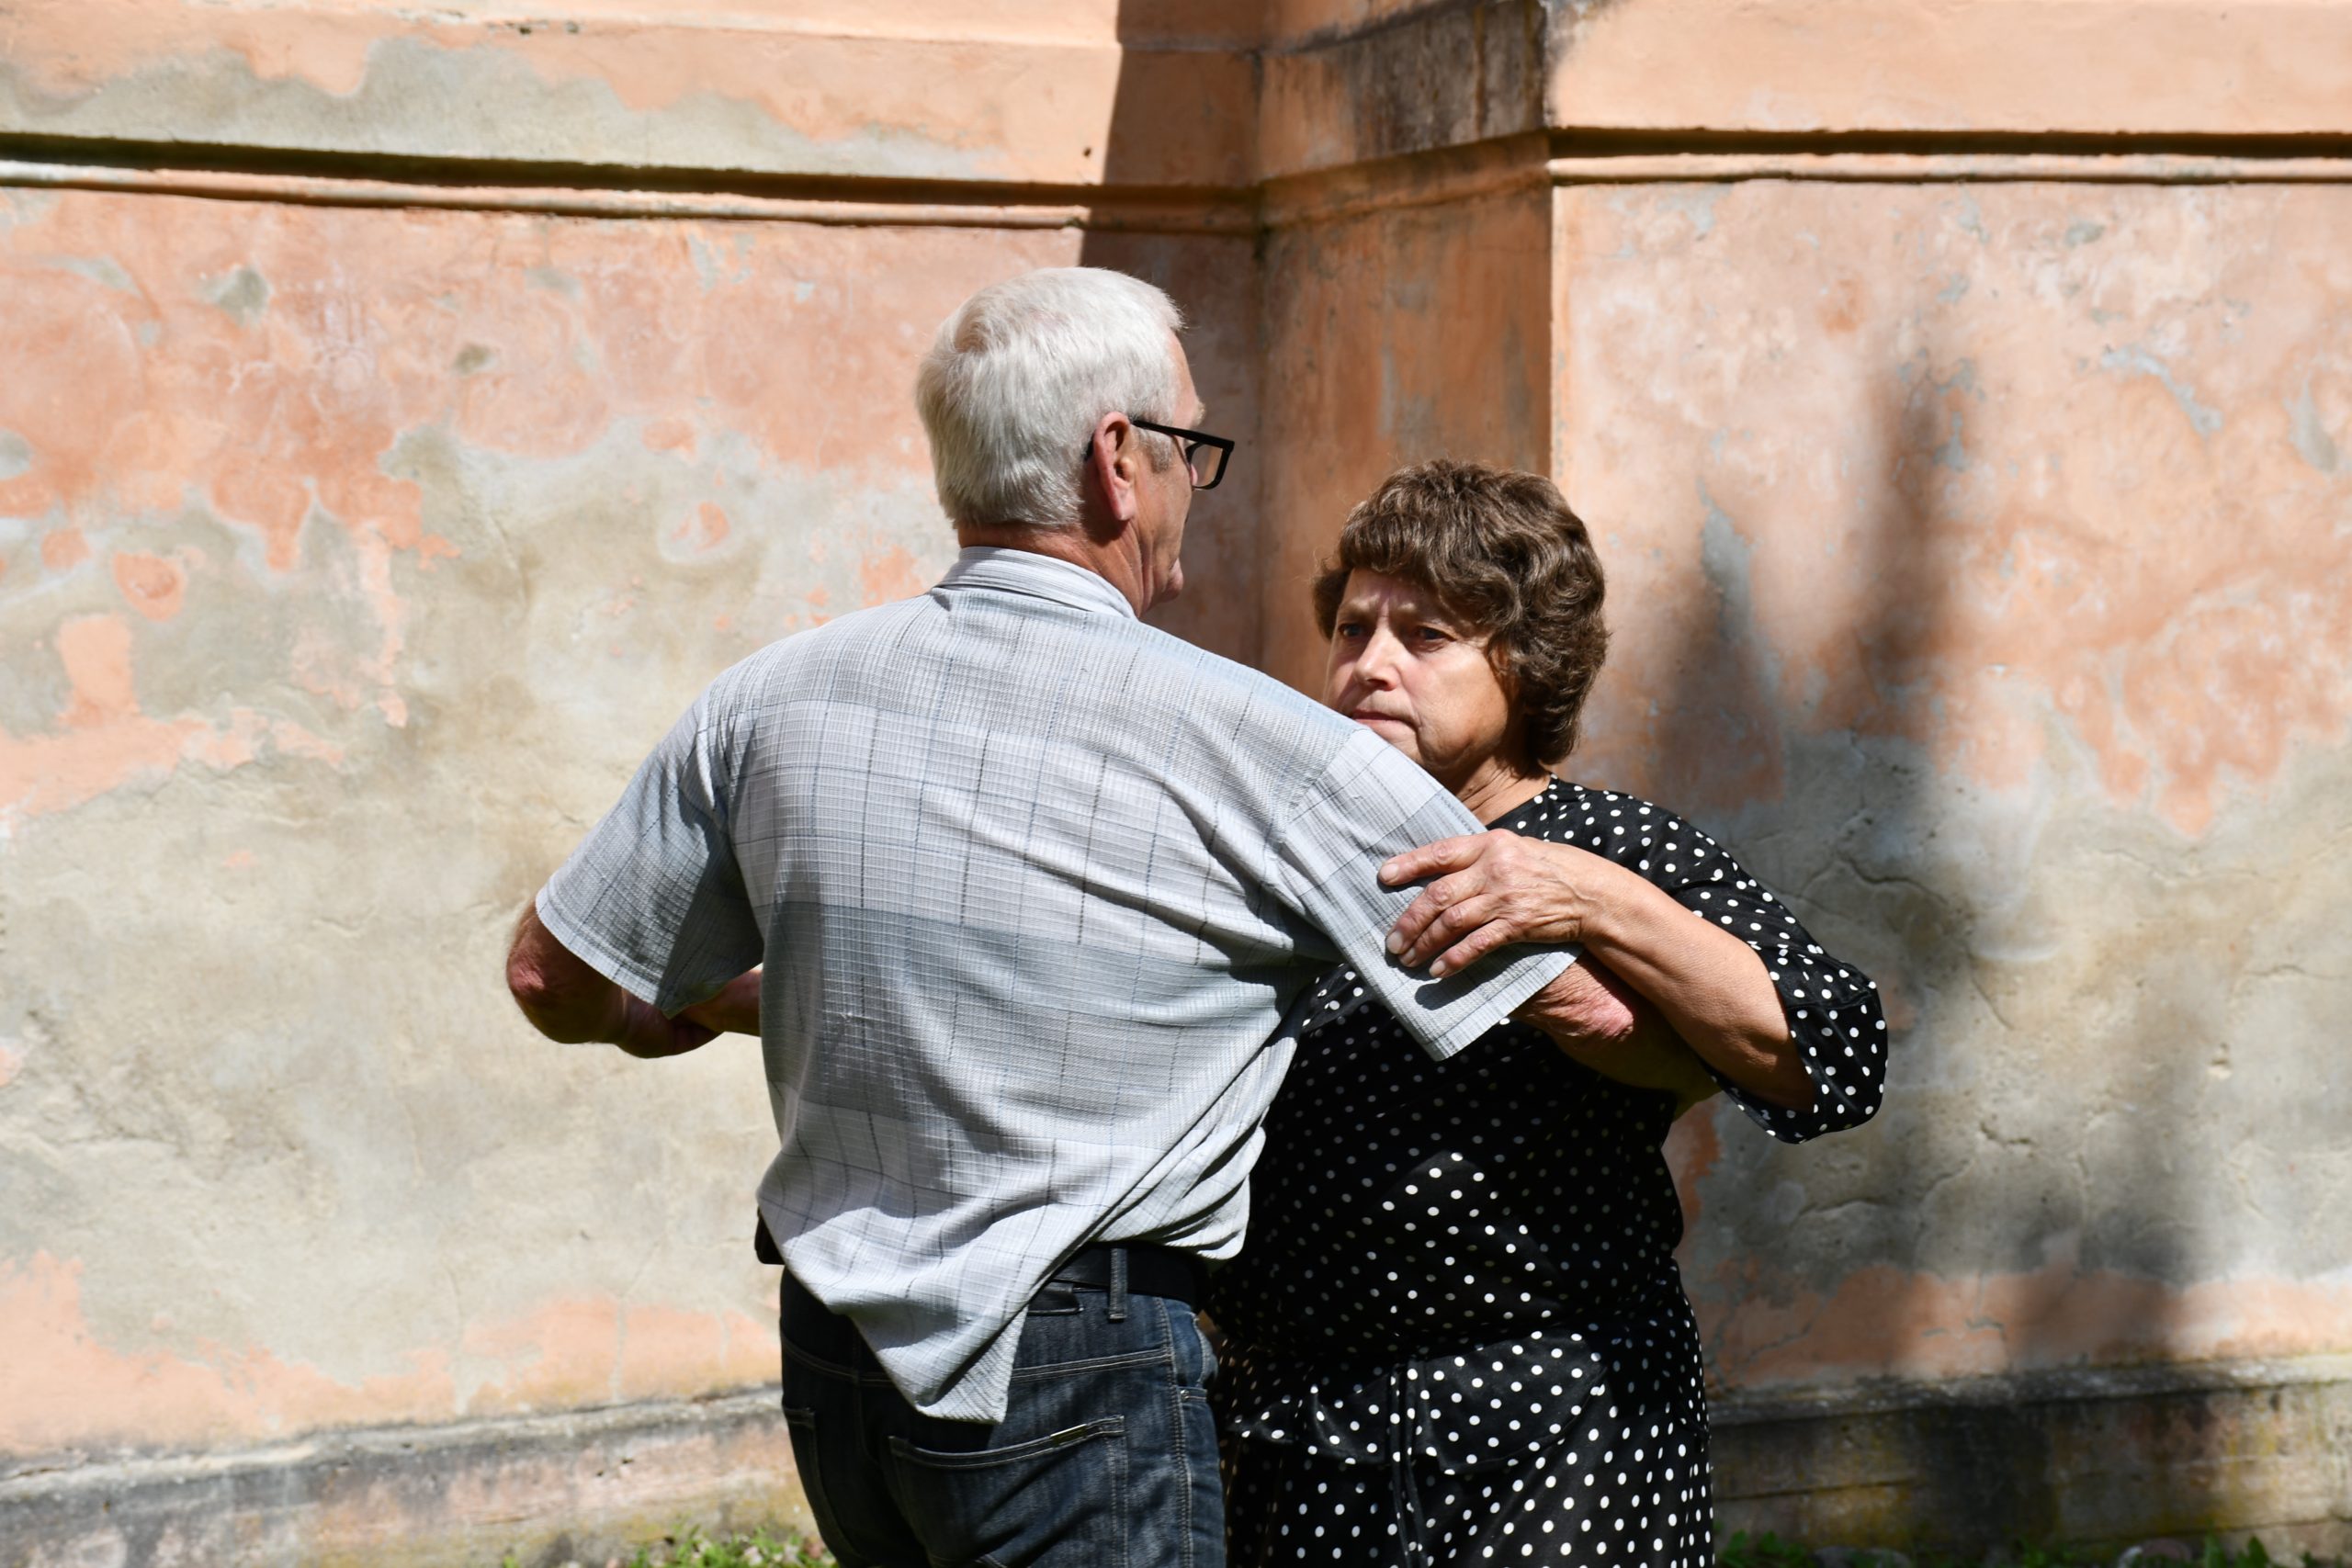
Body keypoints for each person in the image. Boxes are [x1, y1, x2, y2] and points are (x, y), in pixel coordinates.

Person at [503, 269, 1635, 1568]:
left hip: (834, 1357)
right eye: (1188, 449)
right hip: (1078, 1370)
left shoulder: (768, 700)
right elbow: (1587, 1012)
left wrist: (683, 1007)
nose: (1192, 484)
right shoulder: (1264, 743)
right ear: (1116, 462)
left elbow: (550, 977)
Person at [1207, 459, 1889, 1568]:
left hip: (1554, 1427)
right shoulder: (1284, 852)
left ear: (1522, 663)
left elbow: (1832, 1053)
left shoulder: (1612, 845)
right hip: (1300, 1432)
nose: (1369, 665)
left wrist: (1590, 899)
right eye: (1351, 629)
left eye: (1424, 636)